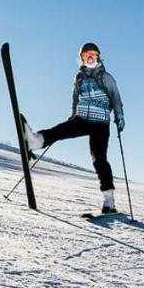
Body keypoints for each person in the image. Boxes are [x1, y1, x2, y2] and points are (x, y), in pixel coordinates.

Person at [24, 42, 125, 214]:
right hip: (82, 119)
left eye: (93, 54)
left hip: (100, 123)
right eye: (87, 56)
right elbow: (75, 99)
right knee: (60, 130)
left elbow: (116, 98)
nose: (91, 58)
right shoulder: (79, 78)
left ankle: (109, 201)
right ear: (81, 59)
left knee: (99, 159)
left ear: (99, 57)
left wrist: (119, 117)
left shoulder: (106, 77)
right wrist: (73, 115)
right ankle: (36, 141)